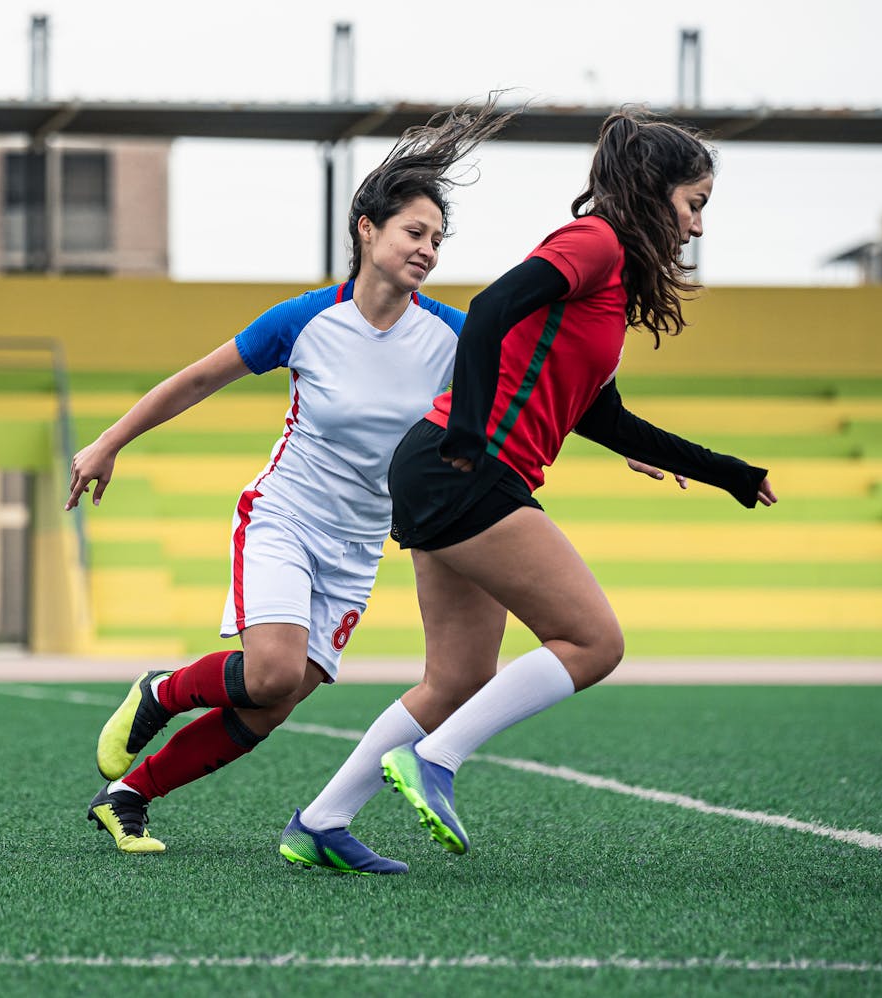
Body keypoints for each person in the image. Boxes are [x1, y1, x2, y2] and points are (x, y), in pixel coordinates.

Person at [286, 107, 778, 868]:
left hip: (448, 470)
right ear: (656, 192)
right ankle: (435, 761)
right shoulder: (596, 242)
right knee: (593, 640)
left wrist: (731, 476)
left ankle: (320, 821)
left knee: (457, 677)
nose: (698, 227)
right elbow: (488, 312)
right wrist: (469, 437)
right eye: (694, 204)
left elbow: (603, 418)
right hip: (465, 467)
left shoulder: (609, 282)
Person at [63, 98, 519, 868]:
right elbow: (198, 378)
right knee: (270, 669)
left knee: (272, 703)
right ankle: (160, 692)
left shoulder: (450, 334)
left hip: (359, 544)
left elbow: (533, 393)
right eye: (415, 232)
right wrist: (110, 441)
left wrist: (638, 446)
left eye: (438, 240)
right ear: (366, 230)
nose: (428, 250)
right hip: (286, 516)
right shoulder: (308, 319)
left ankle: (128, 797)